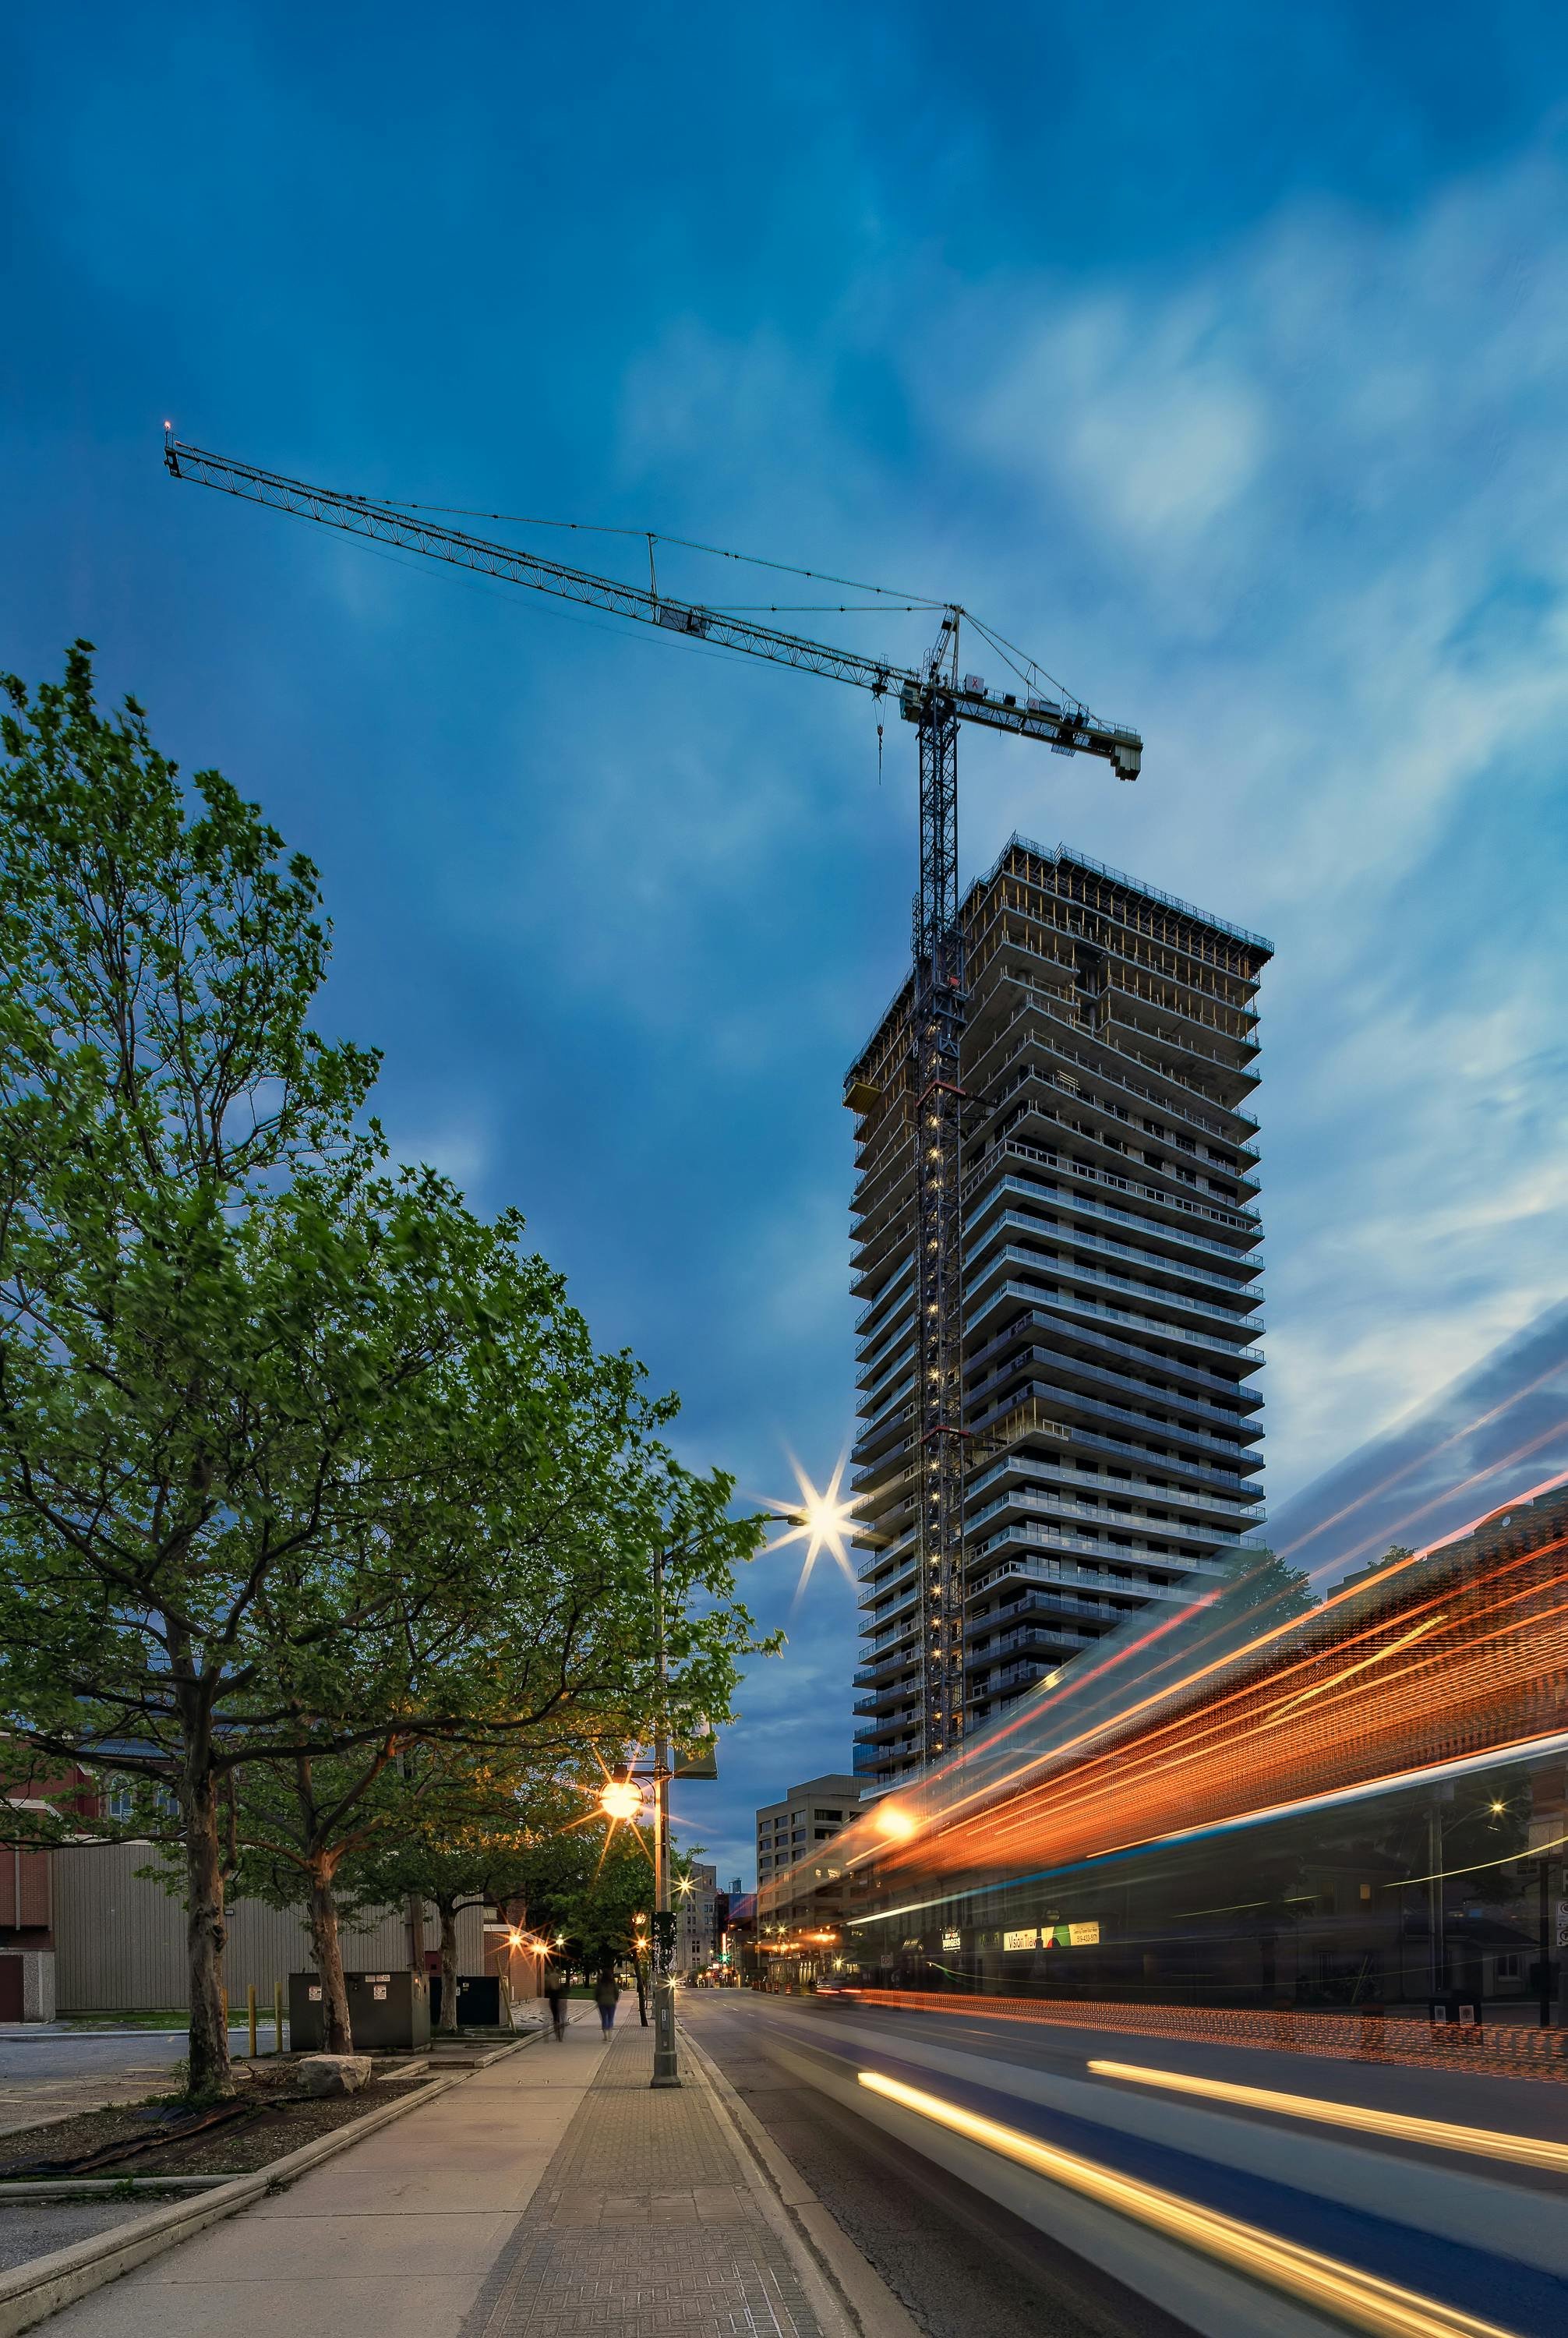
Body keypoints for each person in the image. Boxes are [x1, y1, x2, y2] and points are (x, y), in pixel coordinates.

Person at [545, 1970, 570, 2041]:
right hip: (561, 2003)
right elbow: (566, 1993)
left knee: (556, 2019)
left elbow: (547, 1994)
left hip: (553, 2002)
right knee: (562, 2018)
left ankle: (557, 2035)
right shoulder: (561, 1986)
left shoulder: (550, 1987)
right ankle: (561, 2036)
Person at [594, 1972, 620, 2036]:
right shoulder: (613, 1984)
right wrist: (616, 1999)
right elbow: (617, 1992)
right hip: (611, 2002)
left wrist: (597, 2000)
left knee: (604, 2018)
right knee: (611, 2018)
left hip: (602, 2002)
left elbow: (597, 1993)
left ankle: (605, 2033)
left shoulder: (600, 1984)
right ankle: (610, 2034)